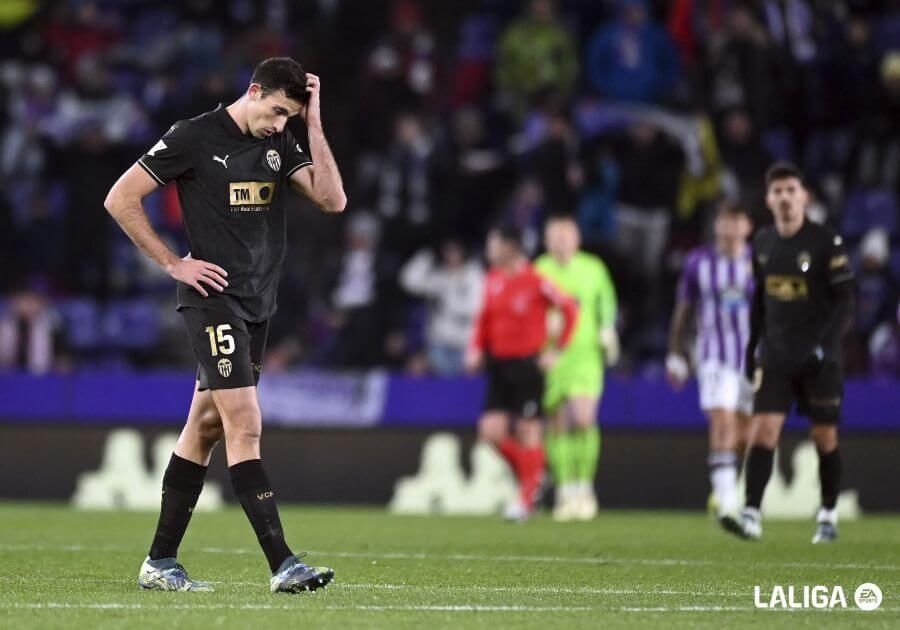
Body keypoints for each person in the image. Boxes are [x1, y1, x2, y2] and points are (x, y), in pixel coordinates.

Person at [104, 57, 346, 592]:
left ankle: (159, 562)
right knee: (246, 424)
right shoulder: (193, 136)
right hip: (211, 300)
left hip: (257, 304)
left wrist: (312, 120)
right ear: (254, 91)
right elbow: (119, 198)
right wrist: (173, 263)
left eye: (290, 117)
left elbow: (333, 199)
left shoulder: (282, 142)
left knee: (206, 428)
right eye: (277, 112)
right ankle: (283, 563)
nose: (279, 124)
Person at [734, 162, 854, 543]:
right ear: (769, 200)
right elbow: (759, 302)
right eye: (778, 192)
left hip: (819, 359)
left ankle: (828, 514)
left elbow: (846, 301)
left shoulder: (825, 241)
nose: (785, 197)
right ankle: (751, 513)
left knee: (824, 436)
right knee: (763, 431)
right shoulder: (763, 243)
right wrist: (752, 349)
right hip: (777, 356)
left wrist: (828, 345)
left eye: (791, 190)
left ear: (804, 196)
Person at [465, 226, 578, 520]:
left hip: (528, 365)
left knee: (529, 431)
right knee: (490, 432)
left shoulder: (536, 280)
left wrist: (559, 349)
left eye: (494, 244)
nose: (489, 250)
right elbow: (483, 320)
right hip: (499, 366)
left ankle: (526, 498)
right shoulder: (492, 280)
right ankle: (535, 476)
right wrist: (475, 349)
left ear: (509, 248)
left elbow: (570, 309)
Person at [666, 201, 754, 532]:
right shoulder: (698, 263)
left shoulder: (761, 262)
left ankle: (729, 485)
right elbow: (683, 310)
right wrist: (675, 352)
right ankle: (727, 500)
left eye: (737, 221)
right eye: (725, 221)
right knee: (722, 419)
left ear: (747, 227)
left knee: (745, 432)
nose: (730, 228)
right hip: (713, 354)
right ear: (716, 225)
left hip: (754, 357)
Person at [534, 215, 618, 521]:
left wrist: (607, 328)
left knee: (583, 419)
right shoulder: (539, 270)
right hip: (552, 354)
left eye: (566, 235)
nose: (561, 241)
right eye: (555, 236)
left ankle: (584, 486)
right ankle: (565, 489)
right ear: (546, 240)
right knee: (557, 423)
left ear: (577, 239)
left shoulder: (593, 268)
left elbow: (606, 300)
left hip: (585, 354)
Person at [400, 239, 484, 375]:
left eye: (454, 252)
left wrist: (448, 304)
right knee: (443, 383)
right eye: (448, 252)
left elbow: (476, 307)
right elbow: (409, 282)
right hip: (439, 342)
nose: (451, 256)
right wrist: (425, 256)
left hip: (464, 342)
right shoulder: (440, 277)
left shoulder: (473, 276)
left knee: (463, 386)